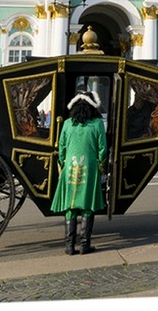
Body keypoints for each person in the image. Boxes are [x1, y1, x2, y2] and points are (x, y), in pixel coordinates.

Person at [51, 90, 107, 255]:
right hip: (89, 168)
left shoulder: (68, 123)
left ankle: (69, 246)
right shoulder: (97, 124)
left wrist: (62, 162)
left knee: (70, 206)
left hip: (70, 167)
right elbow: (103, 149)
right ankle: (84, 245)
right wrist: (101, 165)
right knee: (87, 205)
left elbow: (61, 147)